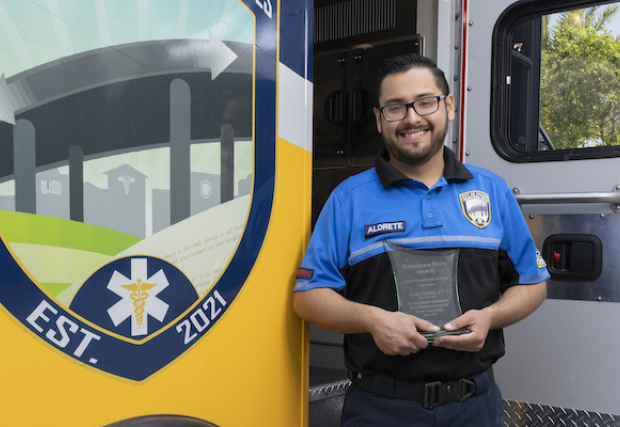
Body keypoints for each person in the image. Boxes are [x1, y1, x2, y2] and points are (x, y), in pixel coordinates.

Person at [293, 53, 549, 427]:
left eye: (425, 102)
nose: (412, 118)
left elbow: (534, 282)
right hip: (381, 409)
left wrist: (489, 318)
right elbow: (307, 297)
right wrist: (373, 321)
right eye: (396, 107)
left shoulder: (491, 191)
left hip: (474, 407)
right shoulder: (348, 198)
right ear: (380, 120)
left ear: (448, 107)